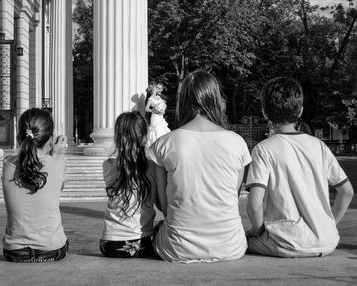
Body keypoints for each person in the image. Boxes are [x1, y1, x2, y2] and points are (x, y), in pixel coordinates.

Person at [149, 70, 251, 263]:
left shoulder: (164, 144)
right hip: (230, 245)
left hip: (178, 248)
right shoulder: (237, 142)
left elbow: (164, 206)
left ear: (184, 101)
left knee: (159, 228)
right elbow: (232, 198)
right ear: (215, 99)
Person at [246, 77, 354, 258]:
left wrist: (257, 231)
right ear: (300, 110)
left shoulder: (263, 149)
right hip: (327, 241)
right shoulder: (319, 145)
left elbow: (255, 205)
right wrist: (329, 224)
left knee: (238, 240)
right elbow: (347, 191)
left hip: (286, 243)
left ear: (264, 112)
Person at [2, 108, 69, 263]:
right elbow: (57, 187)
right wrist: (56, 154)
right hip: (51, 250)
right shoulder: (58, 163)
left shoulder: (7, 164)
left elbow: (28, 161)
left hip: (14, 252)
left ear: (19, 138)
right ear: (51, 139)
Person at [100, 111, 156, 258]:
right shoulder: (152, 167)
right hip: (141, 243)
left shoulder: (107, 165)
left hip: (110, 244)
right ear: (145, 137)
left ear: (117, 138)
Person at [145, 83, 171, 148]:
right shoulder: (150, 98)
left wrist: (162, 111)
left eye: (158, 88)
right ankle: (154, 146)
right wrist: (154, 111)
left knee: (162, 129)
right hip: (154, 117)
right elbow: (146, 109)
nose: (157, 89)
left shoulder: (159, 97)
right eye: (156, 87)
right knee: (155, 130)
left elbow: (164, 107)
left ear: (162, 90)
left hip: (160, 117)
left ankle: (162, 145)